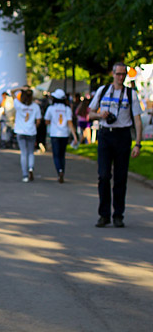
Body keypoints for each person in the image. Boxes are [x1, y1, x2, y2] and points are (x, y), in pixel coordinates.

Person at [87, 62, 143, 227]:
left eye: (123, 74)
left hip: (122, 136)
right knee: (103, 175)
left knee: (120, 178)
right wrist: (100, 115)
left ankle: (118, 214)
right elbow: (89, 114)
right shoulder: (103, 91)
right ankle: (104, 214)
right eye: (118, 74)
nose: (120, 77)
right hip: (105, 134)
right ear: (112, 74)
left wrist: (138, 143)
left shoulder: (130, 94)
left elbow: (138, 120)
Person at [44, 89, 77, 183]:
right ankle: (62, 170)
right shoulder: (67, 109)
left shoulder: (51, 108)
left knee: (56, 155)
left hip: (54, 133)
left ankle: (59, 171)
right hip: (64, 134)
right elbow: (70, 123)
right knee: (62, 155)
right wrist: (74, 136)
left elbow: (46, 121)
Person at [12, 87, 41, 182]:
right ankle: (31, 168)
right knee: (31, 152)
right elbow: (38, 120)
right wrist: (34, 127)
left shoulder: (19, 105)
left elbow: (12, 92)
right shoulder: (35, 106)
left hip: (20, 131)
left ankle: (25, 175)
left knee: (23, 153)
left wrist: (21, 88)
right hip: (31, 131)